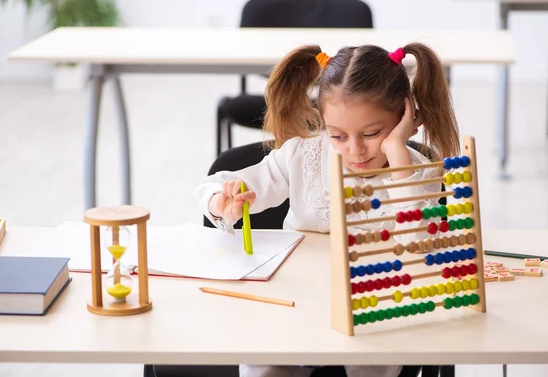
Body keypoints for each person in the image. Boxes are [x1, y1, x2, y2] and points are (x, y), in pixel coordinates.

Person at [193, 42, 460, 377]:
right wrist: (223, 200)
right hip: (297, 302)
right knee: (265, 359)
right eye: (338, 136)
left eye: (373, 133)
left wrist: (397, 155)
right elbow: (215, 184)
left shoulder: (419, 172)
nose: (356, 150)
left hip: (378, 307)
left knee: (371, 359)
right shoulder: (303, 156)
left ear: (405, 116)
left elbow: (422, 247)